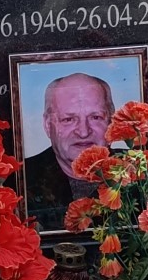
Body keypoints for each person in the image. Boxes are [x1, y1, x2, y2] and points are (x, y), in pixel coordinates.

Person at [22, 69, 114, 228]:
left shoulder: (140, 172)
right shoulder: (19, 180)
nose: (83, 132)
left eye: (96, 117)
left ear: (111, 121)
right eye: (69, 119)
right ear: (47, 125)